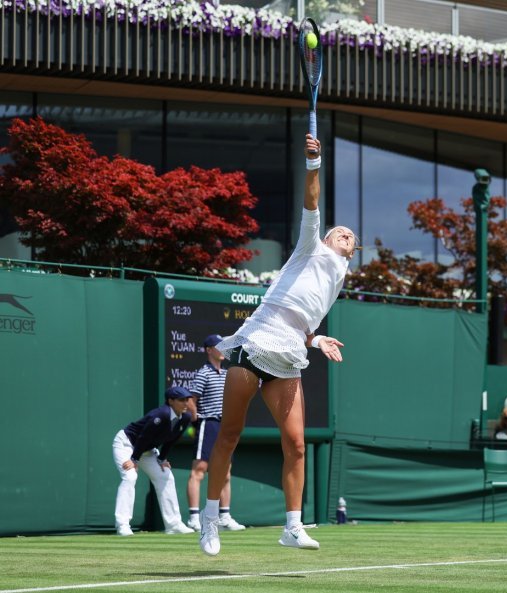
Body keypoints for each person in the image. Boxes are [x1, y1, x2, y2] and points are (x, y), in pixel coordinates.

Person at [199, 135, 357, 556]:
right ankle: (209, 519)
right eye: (338, 231)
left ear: (350, 254)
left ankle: (292, 526)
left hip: (289, 354)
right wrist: (314, 163)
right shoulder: (311, 247)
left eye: (349, 236)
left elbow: (302, 320)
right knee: (229, 434)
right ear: (324, 240)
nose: (342, 232)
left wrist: (317, 337)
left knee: (297, 444)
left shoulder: (335, 282)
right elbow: (312, 202)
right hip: (256, 342)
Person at [112, 386, 197, 536]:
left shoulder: (185, 417)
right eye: (181, 400)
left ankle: (174, 525)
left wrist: (162, 458)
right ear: (171, 401)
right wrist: (134, 459)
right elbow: (143, 437)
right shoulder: (161, 415)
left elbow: (171, 440)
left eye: (187, 399)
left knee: (166, 476)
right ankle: (122, 526)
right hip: (127, 444)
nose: (186, 403)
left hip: (147, 449)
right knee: (130, 476)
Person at [186, 334, 244, 533]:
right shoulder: (203, 373)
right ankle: (194, 518)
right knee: (200, 469)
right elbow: (191, 399)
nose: (222, 349)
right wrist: (196, 420)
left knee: (226, 473)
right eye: (218, 346)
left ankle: (224, 516)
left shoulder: (228, 373)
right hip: (208, 423)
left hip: (225, 425)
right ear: (209, 350)